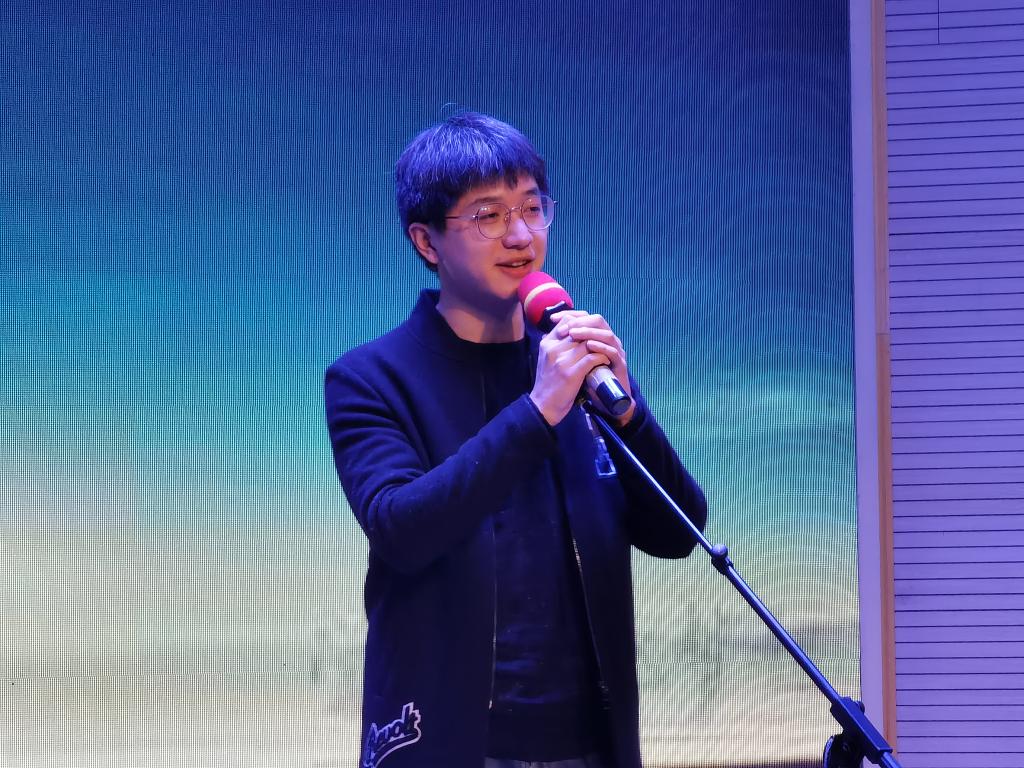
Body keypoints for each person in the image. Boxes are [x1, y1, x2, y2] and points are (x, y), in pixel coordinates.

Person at [324, 111, 707, 768]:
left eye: (532, 208)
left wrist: (630, 416)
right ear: (427, 241)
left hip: (592, 747)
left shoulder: (574, 366)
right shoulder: (371, 378)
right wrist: (536, 412)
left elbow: (678, 533)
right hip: (451, 748)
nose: (522, 235)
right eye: (489, 216)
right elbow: (401, 530)